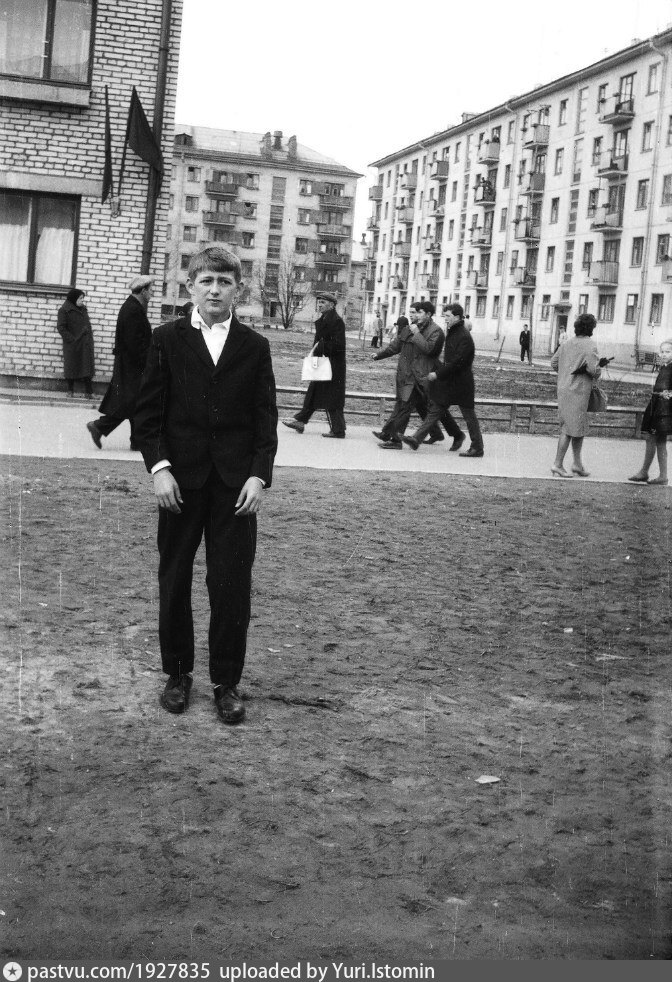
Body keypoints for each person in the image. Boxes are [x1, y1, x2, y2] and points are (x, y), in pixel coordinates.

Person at [133, 246, 278, 724]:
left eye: (224, 282)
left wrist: (258, 475)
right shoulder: (166, 339)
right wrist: (159, 469)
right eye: (206, 281)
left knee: (231, 584)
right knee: (174, 578)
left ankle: (226, 682)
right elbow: (148, 414)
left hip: (235, 488)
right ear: (190, 286)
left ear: (239, 288)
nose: (215, 290)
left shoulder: (254, 346)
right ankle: (177, 674)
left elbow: (265, 420)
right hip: (179, 483)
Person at [401, 302, 484, 457]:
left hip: (462, 384)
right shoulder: (454, 332)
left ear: (457, 317)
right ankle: (416, 439)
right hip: (450, 381)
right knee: (436, 409)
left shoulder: (463, 336)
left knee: (469, 416)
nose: (445, 318)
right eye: (445, 315)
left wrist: (438, 374)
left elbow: (457, 362)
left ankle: (477, 447)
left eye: (448, 316)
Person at [86, 275, 154, 451]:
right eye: (150, 290)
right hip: (133, 366)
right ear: (143, 291)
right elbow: (134, 343)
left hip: (130, 364)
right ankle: (99, 426)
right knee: (131, 402)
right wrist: (148, 362)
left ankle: (135, 441)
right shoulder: (133, 310)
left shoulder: (132, 307)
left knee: (135, 402)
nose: (152, 294)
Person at [371, 302, 444, 449]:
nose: (414, 315)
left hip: (419, 377)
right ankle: (435, 433)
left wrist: (417, 334)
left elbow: (429, 350)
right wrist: (379, 355)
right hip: (405, 374)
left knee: (404, 407)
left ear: (428, 314)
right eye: (413, 312)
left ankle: (395, 440)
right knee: (409, 405)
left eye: (418, 312)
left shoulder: (435, 331)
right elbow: (395, 347)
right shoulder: (409, 328)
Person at [549, 312, 609, 478]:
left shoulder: (567, 343)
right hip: (579, 391)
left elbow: (554, 362)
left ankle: (577, 464)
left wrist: (566, 374)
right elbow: (594, 371)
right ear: (591, 328)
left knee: (577, 426)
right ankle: (557, 464)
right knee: (569, 428)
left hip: (564, 389)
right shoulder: (590, 345)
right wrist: (600, 366)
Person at [282, 291, 347, 438]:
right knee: (314, 392)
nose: (320, 305)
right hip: (323, 362)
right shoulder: (324, 319)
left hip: (333, 366)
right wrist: (317, 351)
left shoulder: (336, 321)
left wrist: (320, 347)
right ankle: (301, 421)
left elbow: (339, 346)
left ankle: (338, 430)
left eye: (323, 302)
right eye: (319, 302)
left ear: (332, 305)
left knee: (332, 397)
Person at [628, 338, 672, 486]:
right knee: (652, 438)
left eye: (668, 352)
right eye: (662, 351)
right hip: (656, 405)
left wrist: (669, 394)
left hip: (664, 409)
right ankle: (648, 473)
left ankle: (659, 475)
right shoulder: (664, 367)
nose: (664, 354)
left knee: (658, 440)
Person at [56, 289, 95, 397]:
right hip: (72, 344)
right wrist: (71, 340)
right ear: (74, 299)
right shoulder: (64, 310)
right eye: (80, 298)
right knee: (71, 367)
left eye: (83, 298)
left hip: (84, 344)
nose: (82, 300)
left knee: (86, 367)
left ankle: (89, 392)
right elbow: (61, 327)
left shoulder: (83, 309)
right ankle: (70, 391)